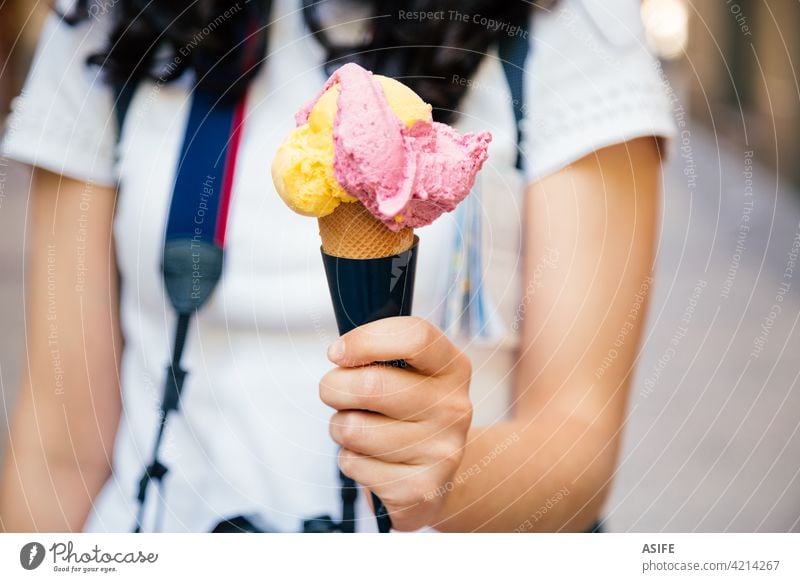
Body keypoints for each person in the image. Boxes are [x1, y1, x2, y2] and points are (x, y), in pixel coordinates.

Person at [0, 0, 675, 532]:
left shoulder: (570, 19)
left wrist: (447, 474)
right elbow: (59, 448)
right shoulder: (104, 15)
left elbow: (577, 447)